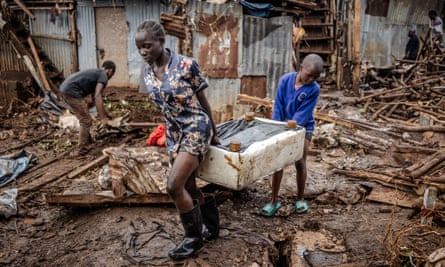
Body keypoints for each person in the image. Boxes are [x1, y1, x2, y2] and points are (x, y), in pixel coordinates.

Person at [135, 20, 220, 260]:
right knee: (190, 186)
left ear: (162, 42)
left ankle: (193, 239)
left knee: (174, 186)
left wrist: (215, 133)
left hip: (195, 128)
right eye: (139, 47)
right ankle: (211, 227)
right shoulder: (147, 71)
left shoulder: (186, 64)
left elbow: (204, 102)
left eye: (148, 46)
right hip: (174, 134)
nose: (143, 52)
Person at [260, 53, 323, 217]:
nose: (311, 80)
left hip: (303, 127)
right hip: (281, 125)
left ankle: (300, 198)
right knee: (278, 163)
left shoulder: (314, 89)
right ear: (301, 68)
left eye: (315, 77)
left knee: (300, 160)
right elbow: (278, 105)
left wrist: (292, 129)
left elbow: (303, 114)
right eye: (309, 75)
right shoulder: (285, 80)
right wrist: (276, 126)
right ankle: (274, 200)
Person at [60, 61, 116, 156]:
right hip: (72, 92)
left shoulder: (96, 74)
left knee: (84, 117)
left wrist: (106, 114)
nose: (110, 77)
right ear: (110, 71)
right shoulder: (103, 76)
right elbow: (98, 96)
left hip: (65, 89)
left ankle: (87, 141)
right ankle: (81, 150)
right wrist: (103, 119)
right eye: (112, 74)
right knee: (85, 120)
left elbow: (95, 98)